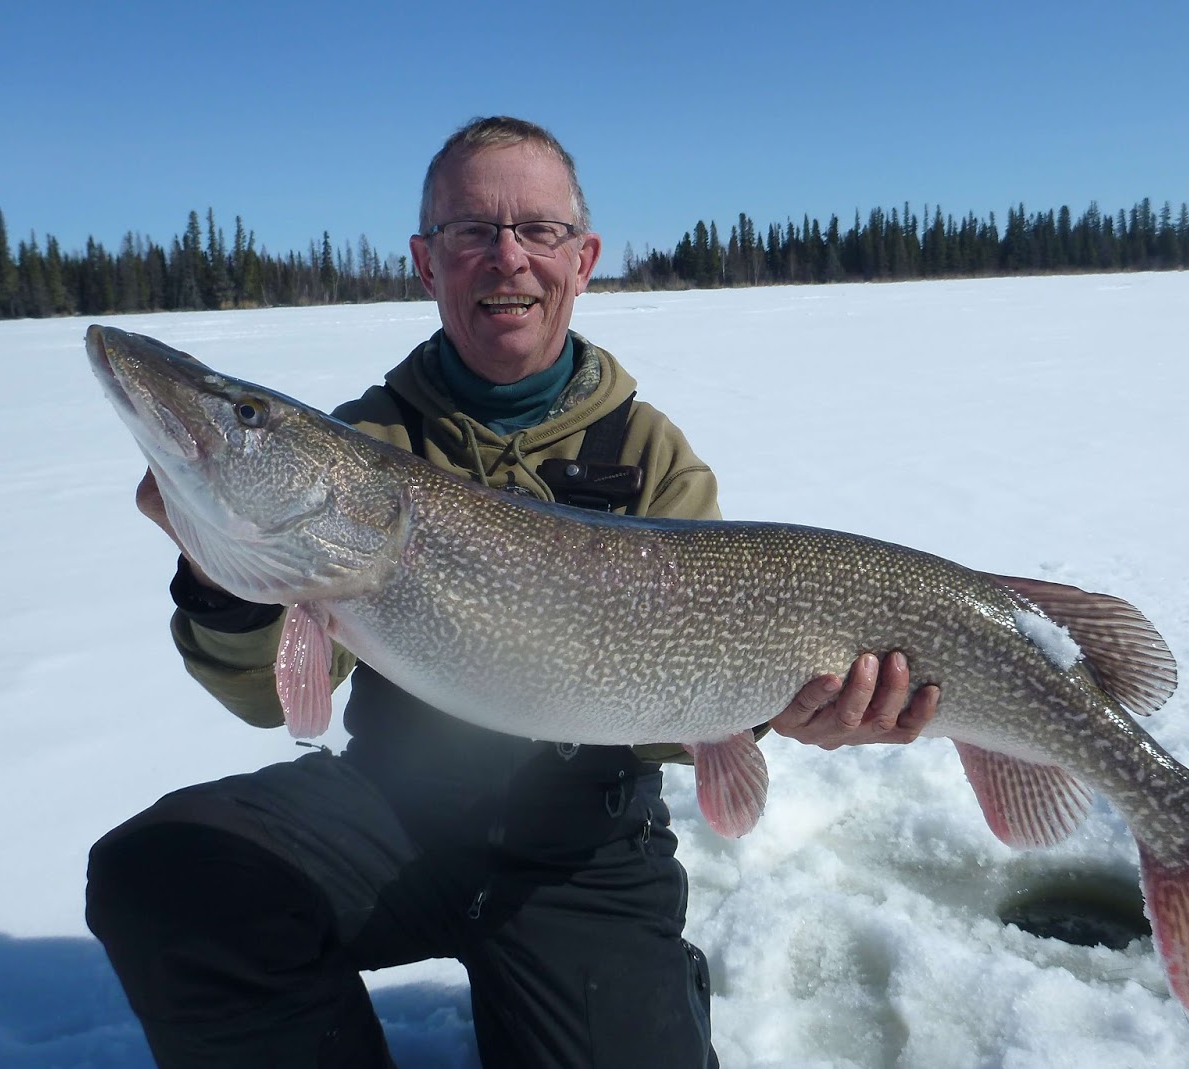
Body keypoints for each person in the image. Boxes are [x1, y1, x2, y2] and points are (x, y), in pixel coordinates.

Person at [85, 116, 939, 1069]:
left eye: (538, 231)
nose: (508, 259)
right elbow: (264, 697)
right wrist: (222, 578)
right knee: (164, 872)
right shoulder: (368, 442)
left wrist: (789, 708)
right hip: (395, 808)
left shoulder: (651, 456)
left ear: (583, 259)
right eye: (470, 232)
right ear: (426, 260)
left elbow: (693, 694)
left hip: (584, 846)